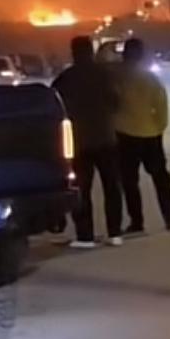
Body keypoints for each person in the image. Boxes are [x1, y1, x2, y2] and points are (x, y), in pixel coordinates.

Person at [52, 36, 124, 249]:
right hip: (106, 138)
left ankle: (85, 236)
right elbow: (116, 102)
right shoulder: (105, 75)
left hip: (79, 143)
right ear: (91, 51)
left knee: (82, 189)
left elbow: (56, 107)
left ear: (73, 52)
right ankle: (115, 233)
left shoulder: (66, 78)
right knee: (112, 187)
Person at [114, 38, 170, 234]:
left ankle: (137, 222)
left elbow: (112, 104)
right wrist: (159, 127)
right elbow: (161, 105)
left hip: (124, 134)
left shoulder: (117, 77)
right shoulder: (150, 78)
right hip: (151, 134)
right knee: (161, 178)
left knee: (129, 181)